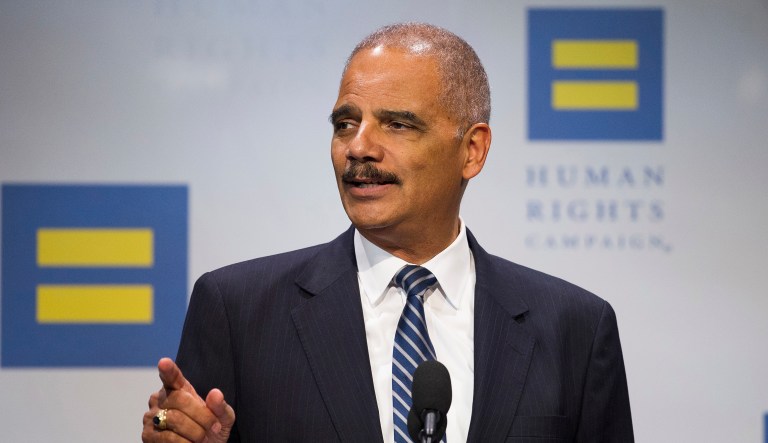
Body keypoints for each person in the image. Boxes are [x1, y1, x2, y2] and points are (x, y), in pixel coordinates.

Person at [141, 23, 633, 443]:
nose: (359, 148)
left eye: (397, 124)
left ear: (473, 150)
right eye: (345, 123)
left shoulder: (576, 329)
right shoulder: (238, 311)